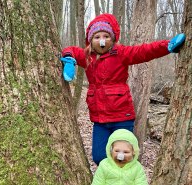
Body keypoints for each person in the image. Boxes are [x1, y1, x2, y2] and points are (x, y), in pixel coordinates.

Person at [60, 13, 186, 165]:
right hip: (99, 120)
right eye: (97, 36)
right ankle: (109, 179)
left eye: (106, 36)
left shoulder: (121, 53)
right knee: (99, 157)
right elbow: (70, 49)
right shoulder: (87, 56)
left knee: (123, 157)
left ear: (112, 39)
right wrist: (69, 60)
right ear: (90, 40)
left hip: (122, 117)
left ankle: (123, 184)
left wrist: (167, 46)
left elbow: (145, 51)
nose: (102, 40)